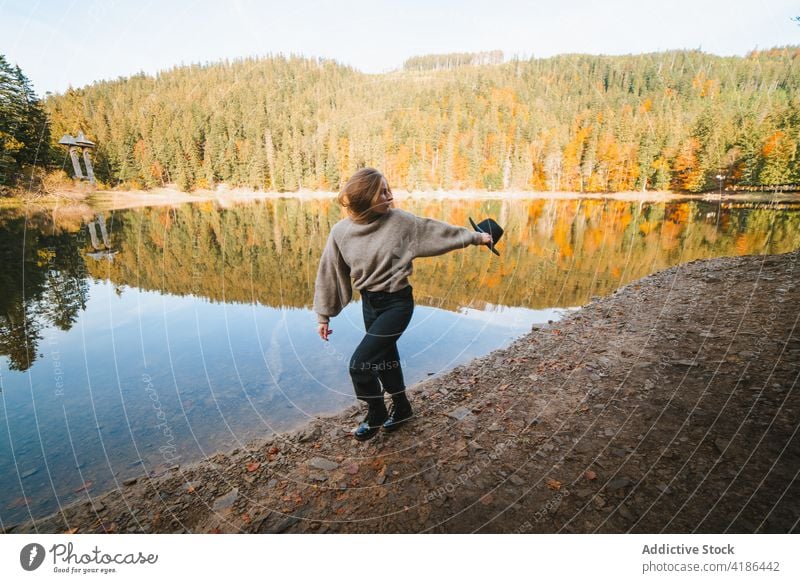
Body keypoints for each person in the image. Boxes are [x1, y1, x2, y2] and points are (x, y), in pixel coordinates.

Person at [313, 167, 493, 441]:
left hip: (397, 303)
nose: (390, 195)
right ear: (364, 199)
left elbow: (437, 232)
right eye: (382, 192)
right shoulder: (341, 232)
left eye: (388, 189)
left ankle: (376, 413)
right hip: (369, 303)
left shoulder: (399, 221)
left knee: (360, 365)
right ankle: (403, 408)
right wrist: (323, 316)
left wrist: (476, 237)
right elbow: (329, 271)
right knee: (386, 360)